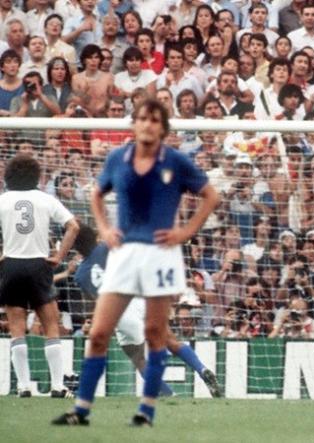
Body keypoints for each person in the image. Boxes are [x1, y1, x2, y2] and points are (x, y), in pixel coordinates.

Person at [52, 98, 219, 427]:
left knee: (156, 333)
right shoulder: (118, 158)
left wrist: (185, 232)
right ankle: (80, 410)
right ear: (134, 124)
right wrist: (104, 228)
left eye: (154, 119)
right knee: (99, 333)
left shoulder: (176, 161)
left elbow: (211, 196)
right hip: (125, 255)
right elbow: (96, 194)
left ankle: (147, 411)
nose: (147, 124)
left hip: (160, 255)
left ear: (163, 128)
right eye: (142, 118)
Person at [71, 224, 221, 398]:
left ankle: (169, 395)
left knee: (139, 359)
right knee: (171, 341)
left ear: (76, 247)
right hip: (139, 297)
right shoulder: (108, 246)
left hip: (120, 312)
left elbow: (98, 303)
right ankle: (202, 369)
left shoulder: (80, 275)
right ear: (94, 236)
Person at [0, 154, 80, 398]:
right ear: (35, 175)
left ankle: (23, 386)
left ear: (9, 176)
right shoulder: (45, 199)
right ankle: (57, 386)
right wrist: (60, 256)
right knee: (51, 326)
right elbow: (74, 226)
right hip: (39, 264)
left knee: (17, 328)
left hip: (11, 265)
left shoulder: (3, 200)